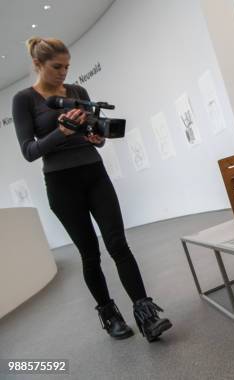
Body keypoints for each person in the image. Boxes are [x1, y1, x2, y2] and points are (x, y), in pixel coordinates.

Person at [12, 37, 172, 342]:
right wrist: (61, 132)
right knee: (90, 255)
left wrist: (97, 137)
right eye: (56, 67)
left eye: (67, 67)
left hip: (94, 173)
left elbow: (95, 130)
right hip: (61, 184)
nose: (63, 73)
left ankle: (147, 316)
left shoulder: (77, 92)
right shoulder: (24, 100)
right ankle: (110, 316)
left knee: (118, 244)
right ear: (38, 65)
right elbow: (29, 151)